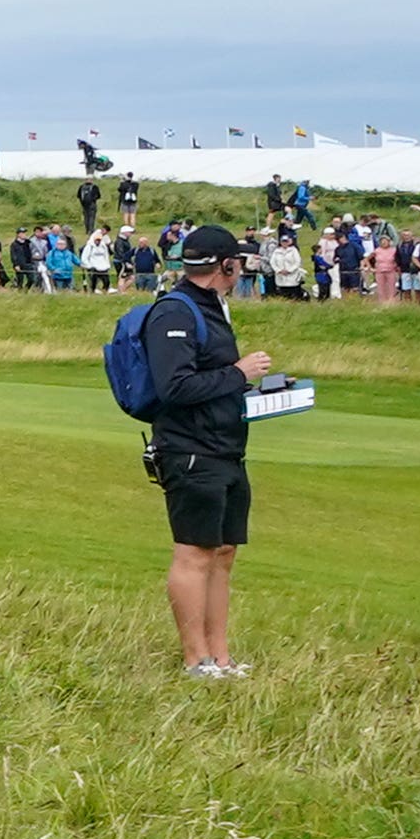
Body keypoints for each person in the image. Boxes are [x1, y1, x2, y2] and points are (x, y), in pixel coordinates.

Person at [134, 221, 273, 678]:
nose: (243, 268)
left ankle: (221, 656)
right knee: (194, 552)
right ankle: (196, 659)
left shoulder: (214, 308)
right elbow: (174, 387)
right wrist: (238, 373)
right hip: (190, 449)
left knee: (223, 551)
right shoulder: (175, 311)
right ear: (225, 265)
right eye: (238, 261)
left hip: (226, 446)